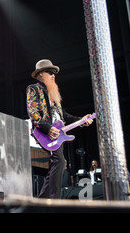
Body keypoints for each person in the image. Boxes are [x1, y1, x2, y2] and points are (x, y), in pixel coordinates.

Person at [26, 59, 93, 199]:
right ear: (41, 74)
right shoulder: (34, 89)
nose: (53, 75)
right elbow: (33, 112)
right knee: (60, 161)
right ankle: (54, 200)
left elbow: (66, 116)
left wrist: (82, 120)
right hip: (45, 132)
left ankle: (42, 201)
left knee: (57, 163)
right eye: (50, 72)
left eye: (54, 73)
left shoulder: (54, 96)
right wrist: (47, 128)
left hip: (58, 134)